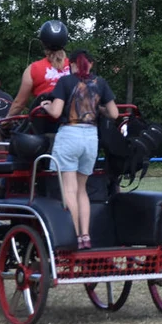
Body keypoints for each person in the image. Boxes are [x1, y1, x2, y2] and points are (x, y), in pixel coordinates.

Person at [42, 49, 118, 250]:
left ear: (72, 64)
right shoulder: (100, 83)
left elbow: (56, 111)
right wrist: (99, 109)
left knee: (69, 189)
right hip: (91, 138)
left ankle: (74, 235)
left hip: (70, 135)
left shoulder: (65, 82)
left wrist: (45, 106)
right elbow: (114, 113)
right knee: (82, 189)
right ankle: (86, 235)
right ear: (90, 64)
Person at [9, 20, 71, 118]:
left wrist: (5, 120)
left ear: (42, 42)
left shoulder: (33, 69)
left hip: (42, 128)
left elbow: (19, 104)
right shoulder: (76, 67)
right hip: (73, 124)